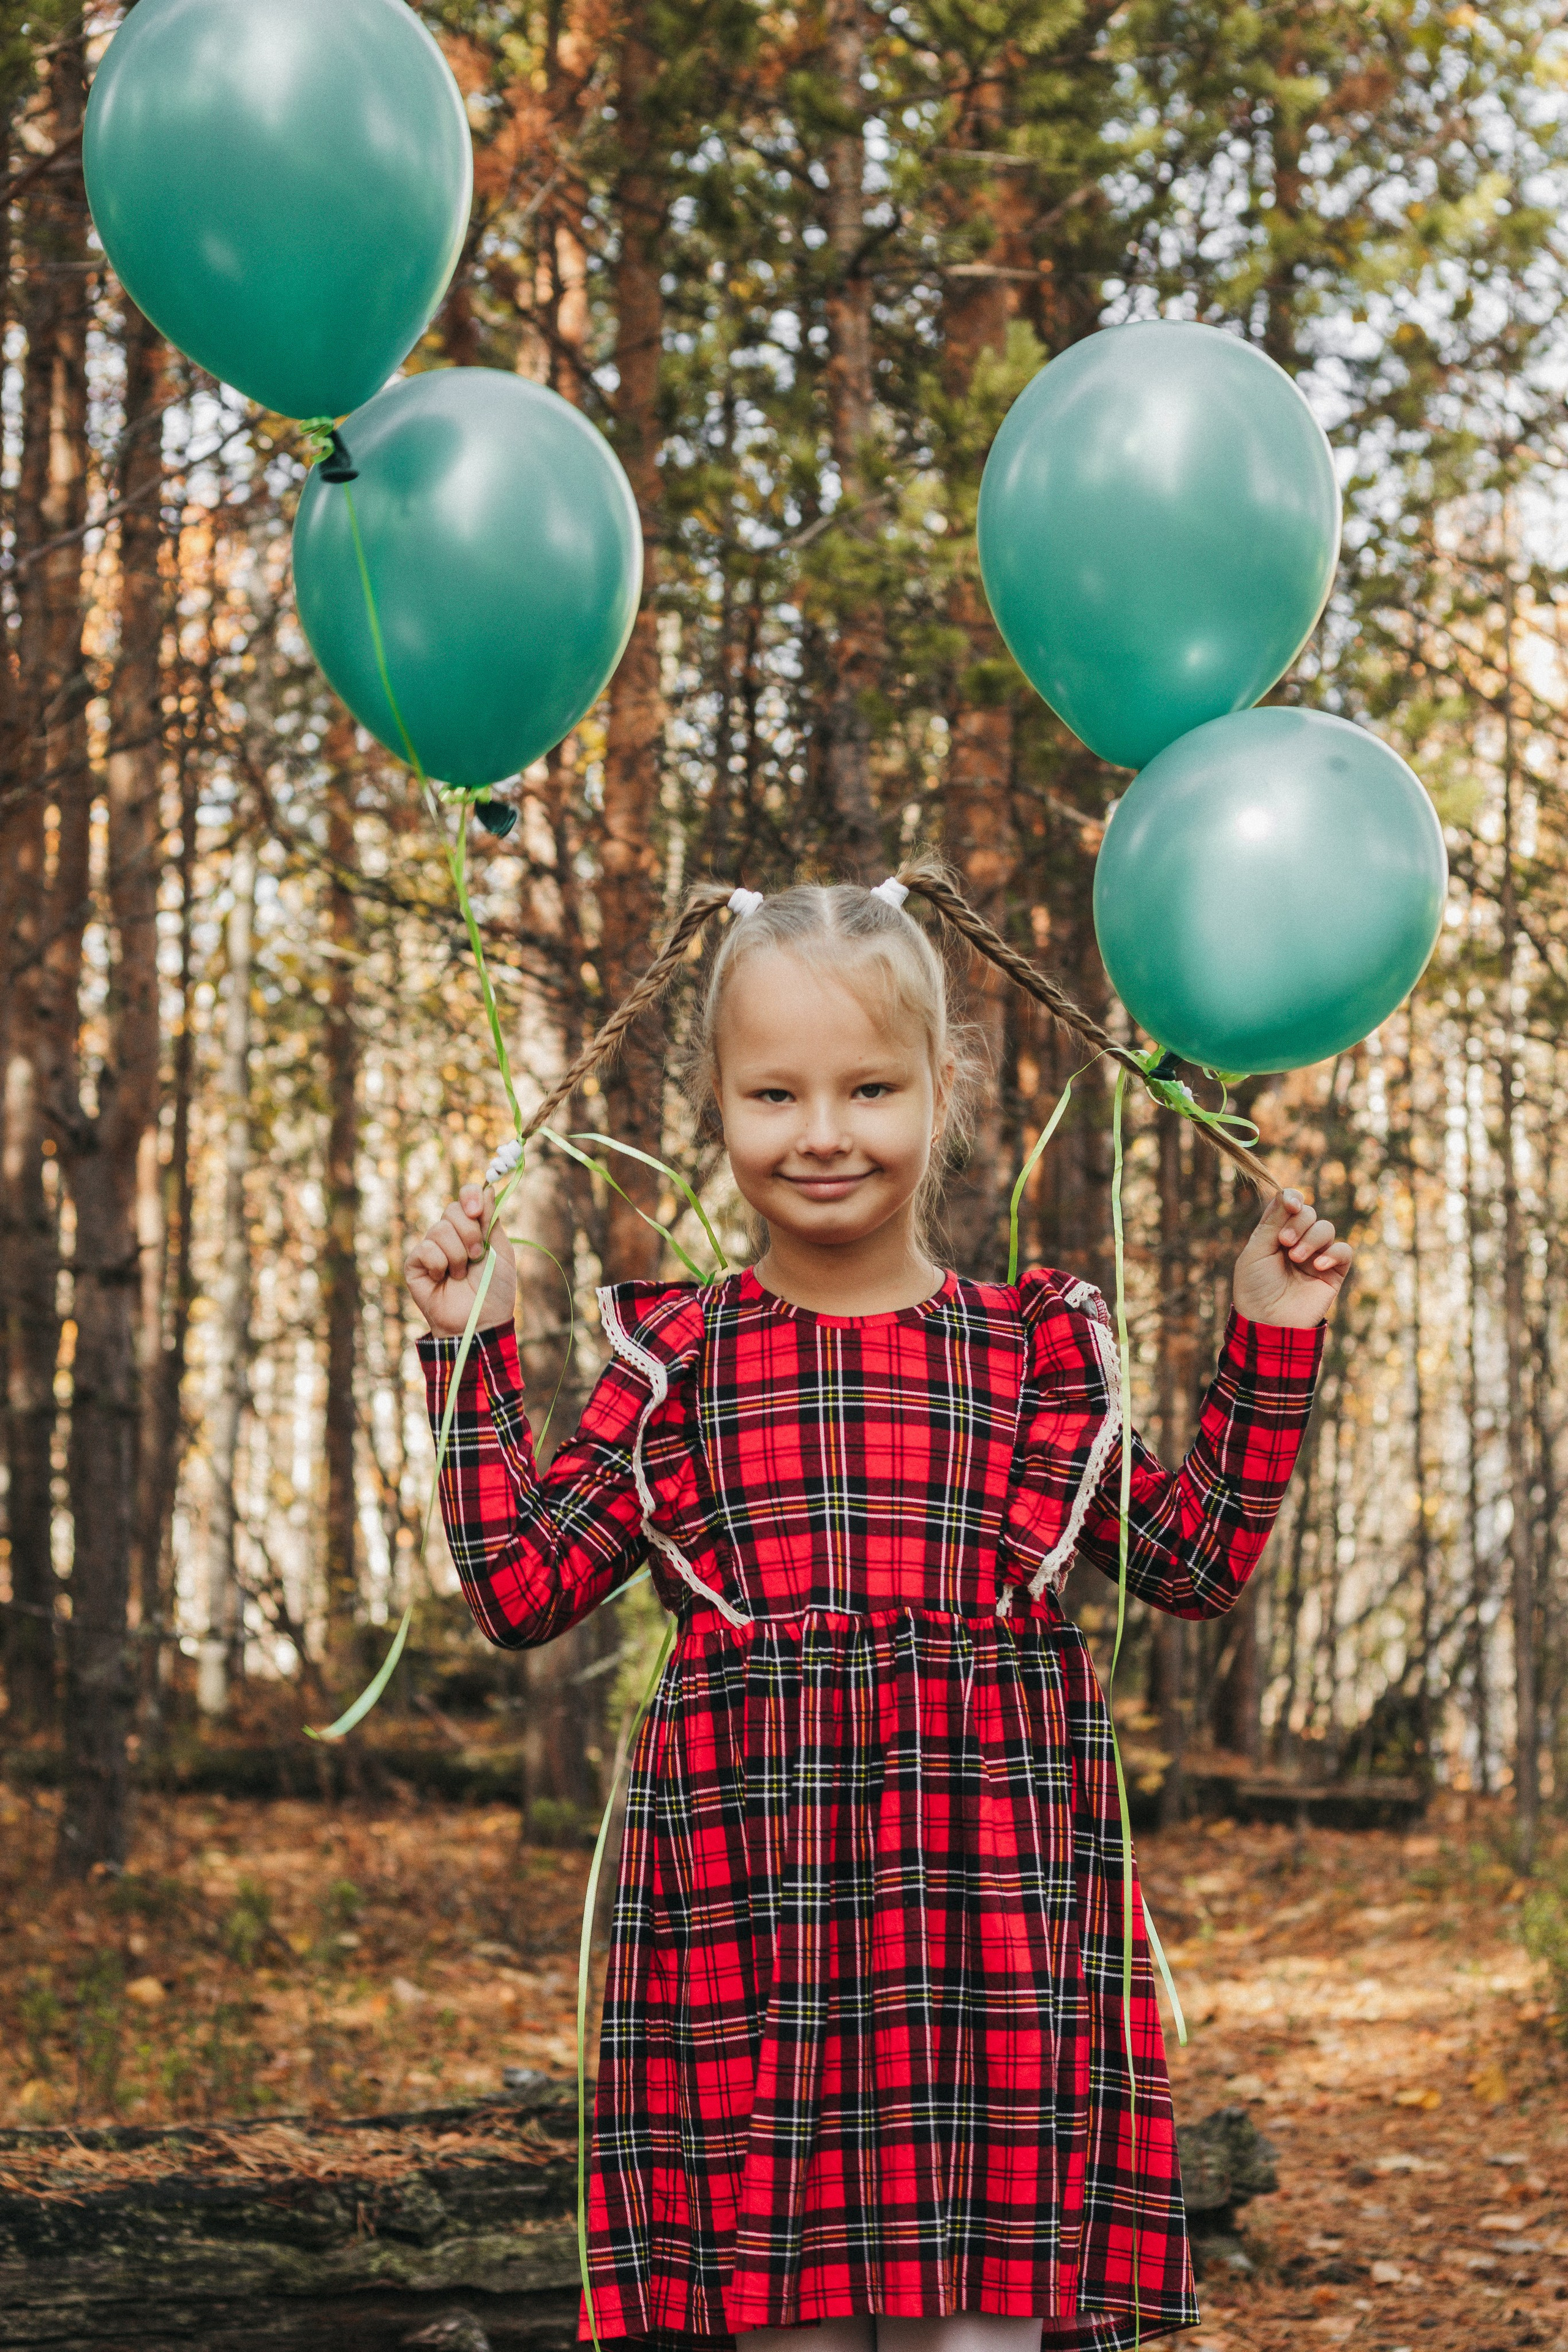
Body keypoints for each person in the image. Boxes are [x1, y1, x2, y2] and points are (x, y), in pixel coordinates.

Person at [404, 864, 1350, 2352]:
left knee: (976, 2327)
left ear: (940, 1091)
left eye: (868, 1089)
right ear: (714, 1104)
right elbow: (522, 1590)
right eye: (773, 1096)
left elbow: (1196, 1561)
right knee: (781, 2316)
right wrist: (468, 1354)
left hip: (989, 1923)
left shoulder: (1028, 1354)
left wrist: (1270, 1338)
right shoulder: (679, 1361)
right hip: (750, 1915)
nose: (825, 1134)